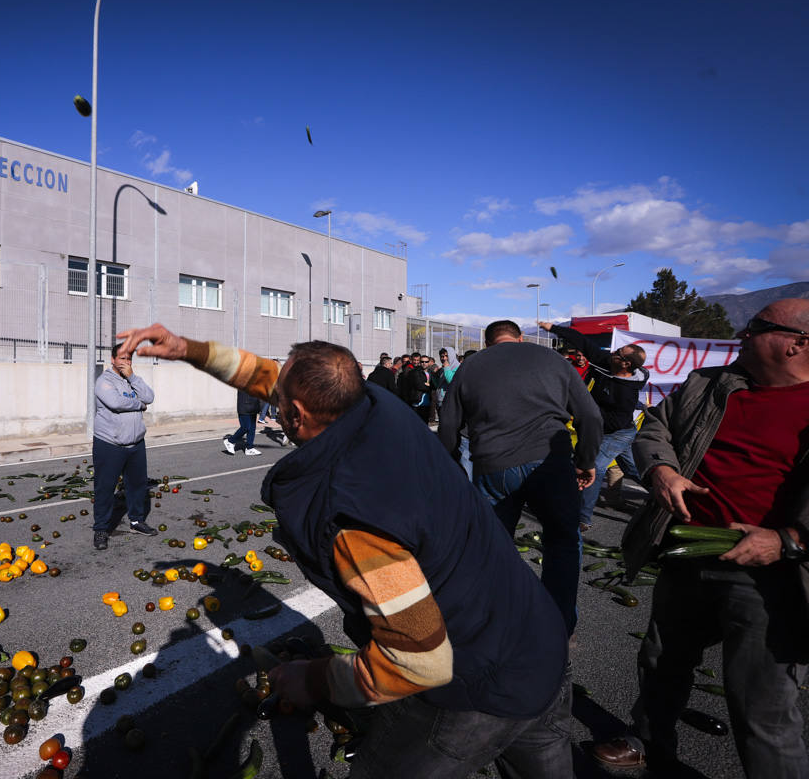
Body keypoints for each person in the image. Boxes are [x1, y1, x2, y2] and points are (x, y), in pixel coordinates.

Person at [115, 324, 571, 778]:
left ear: (295, 413)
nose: (270, 392)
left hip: (475, 688)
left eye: (280, 399)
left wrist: (314, 680)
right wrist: (186, 347)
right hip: (538, 636)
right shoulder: (373, 403)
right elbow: (267, 376)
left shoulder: (355, 517)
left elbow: (420, 662)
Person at [592, 300, 809, 776]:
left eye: (756, 327)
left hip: (769, 575)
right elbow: (654, 428)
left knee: (762, 700)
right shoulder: (708, 383)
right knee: (662, 659)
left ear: (796, 343)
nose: (743, 333)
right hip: (688, 550)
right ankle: (648, 740)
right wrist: (662, 470)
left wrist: (787, 540)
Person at [438, 319, 602, 635]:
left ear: (487, 343)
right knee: (563, 541)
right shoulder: (552, 359)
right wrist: (585, 460)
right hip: (551, 463)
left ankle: (500, 620)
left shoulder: (470, 367)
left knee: (494, 545)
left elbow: (447, 426)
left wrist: (451, 468)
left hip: (493, 466)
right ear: (521, 337)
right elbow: (591, 416)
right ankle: (558, 623)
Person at [542, 321, 649, 533]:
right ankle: (661, 490)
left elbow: (613, 422)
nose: (613, 352)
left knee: (595, 467)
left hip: (618, 433)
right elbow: (583, 341)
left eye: (618, 352)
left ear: (626, 364)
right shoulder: (607, 362)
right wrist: (553, 327)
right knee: (632, 468)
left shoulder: (626, 393)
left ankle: (583, 518)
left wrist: (585, 414)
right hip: (613, 430)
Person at [91, 343, 158, 550]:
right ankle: (101, 528)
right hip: (110, 443)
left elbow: (149, 397)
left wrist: (133, 377)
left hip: (136, 442)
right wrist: (139, 404)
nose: (125, 362)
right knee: (105, 488)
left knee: (137, 486)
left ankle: (137, 522)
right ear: (112, 359)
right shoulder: (103, 382)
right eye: (121, 358)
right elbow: (116, 403)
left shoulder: (132, 381)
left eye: (129, 359)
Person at [224, 388, 262, 456]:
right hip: (244, 405)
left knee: (252, 428)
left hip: (254, 405)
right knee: (246, 427)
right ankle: (230, 441)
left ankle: (249, 448)